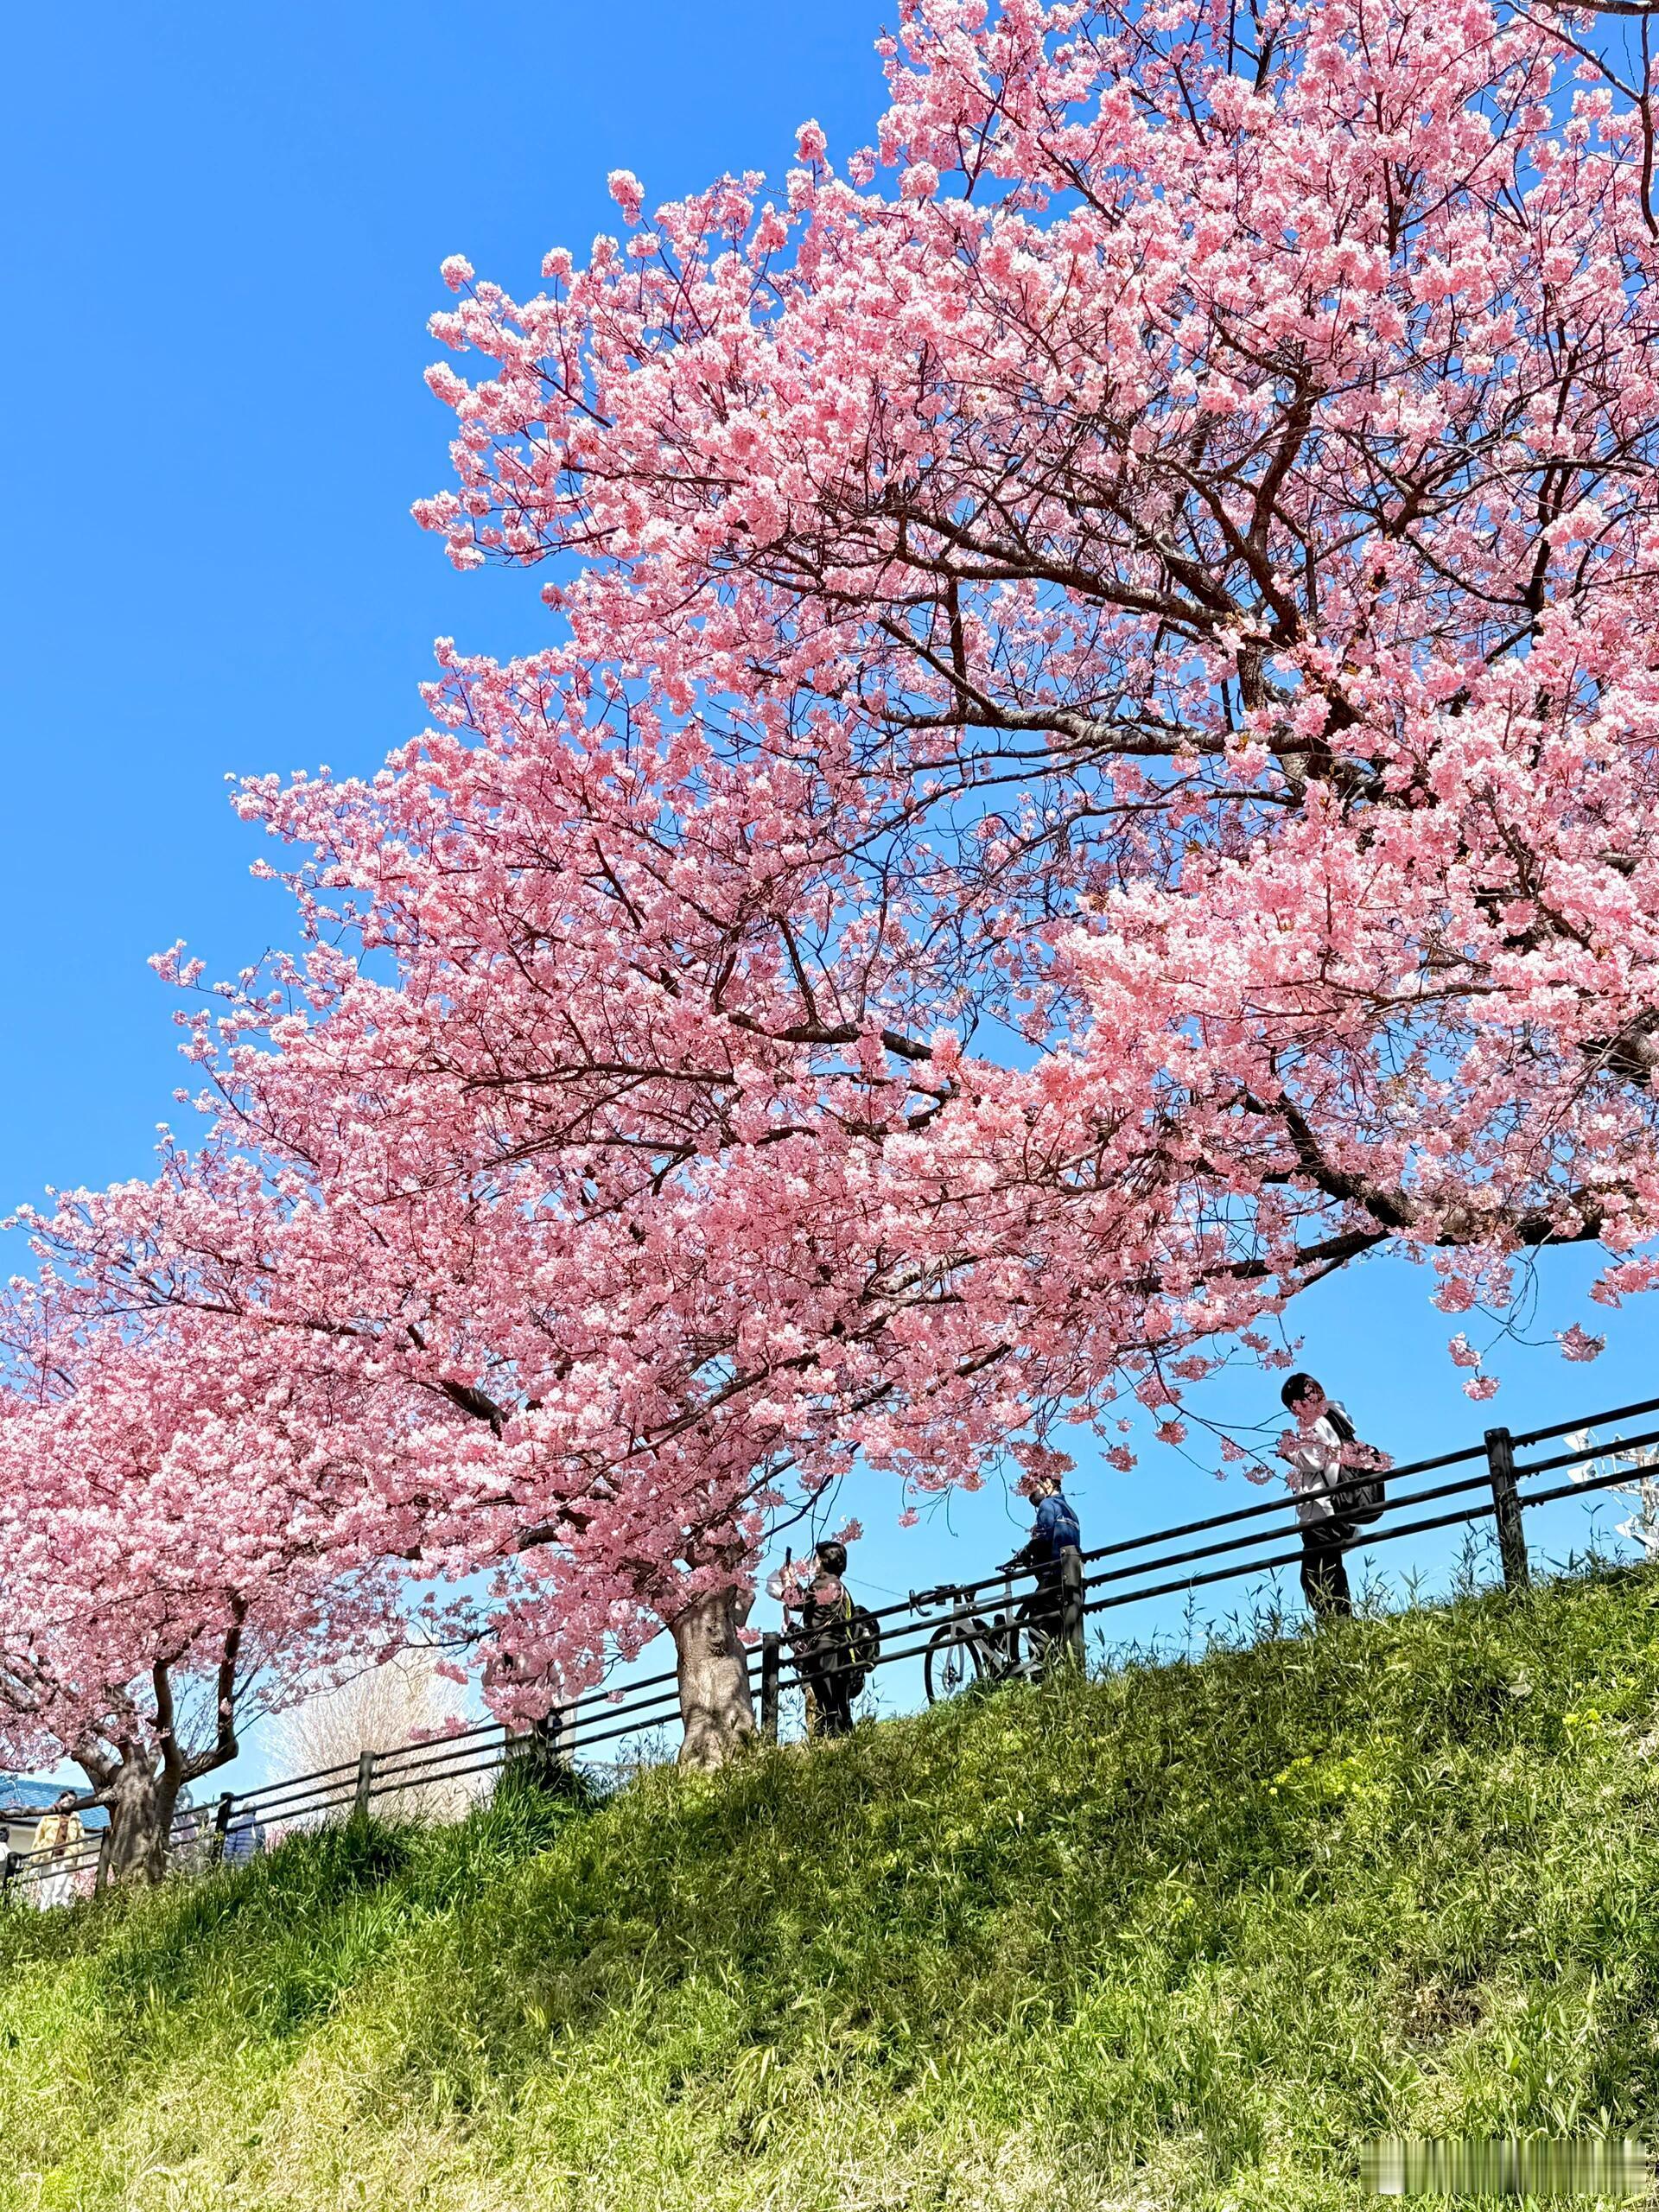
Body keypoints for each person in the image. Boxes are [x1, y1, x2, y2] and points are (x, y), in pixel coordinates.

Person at [1278, 1372, 1362, 1619]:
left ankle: (1339, 1624)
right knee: (1325, 1568)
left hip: (1321, 1507)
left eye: (1293, 1404)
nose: (1294, 1411)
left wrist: (1289, 1453)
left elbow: (1314, 1460)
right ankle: (1340, 1623)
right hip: (1330, 1504)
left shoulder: (1316, 1422)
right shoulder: (1334, 1419)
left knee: (1318, 1573)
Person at [770, 1541, 863, 1738]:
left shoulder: (822, 1582)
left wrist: (787, 1579)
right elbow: (810, 1600)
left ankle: (831, 1742)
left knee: (827, 1701)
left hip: (825, 1651)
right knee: (841, 1703)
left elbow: (796, 1600)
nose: (814, 1562)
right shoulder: (841, 1588)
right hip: (843, 1649)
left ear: (823, 1561)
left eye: (817, 1558)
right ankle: (846, 1741)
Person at [1003, 1470, 1083, 1660]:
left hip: (1053, 1577)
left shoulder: (1048, 1505)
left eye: (1033, 1488)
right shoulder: (1071, 1512)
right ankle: (1064, 1675)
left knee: (1037, 1623)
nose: (1031, 1494)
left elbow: (1042, 1537)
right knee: (1061, 1631)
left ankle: (1041, 1677)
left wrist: (1025, 1553)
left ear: (1048, 1483)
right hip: (1072, 1577)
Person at [31, 1791, 85, 1910]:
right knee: (46, 1886)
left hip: (67, 1857)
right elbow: (39, 1835)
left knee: (61, 1887)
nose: (69, 1802)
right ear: (61, 1800)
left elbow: (80, 1840)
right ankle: (43, 1912)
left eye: (72, 1801)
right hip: (49, 1856)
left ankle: (57, 1913)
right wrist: (35, 1855)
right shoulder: (49, 1815)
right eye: (67, 1799)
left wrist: (79, 1860)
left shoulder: (76, 1818)